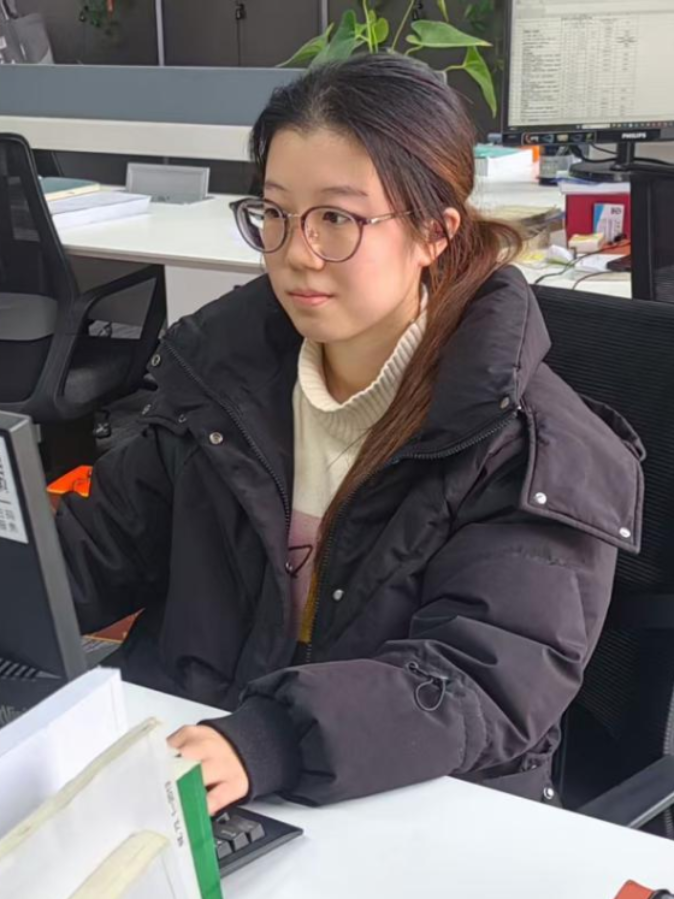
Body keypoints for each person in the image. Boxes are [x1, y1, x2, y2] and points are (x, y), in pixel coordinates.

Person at [56, 54, 644, 815]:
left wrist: (271, 739)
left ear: (435, 232)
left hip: (407, 803)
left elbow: (480, 679)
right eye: (275, 213)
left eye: (337, 218)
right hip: (193, 766)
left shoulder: (529, 445)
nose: (297, 253)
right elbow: (102, 549)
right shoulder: (219, 380)